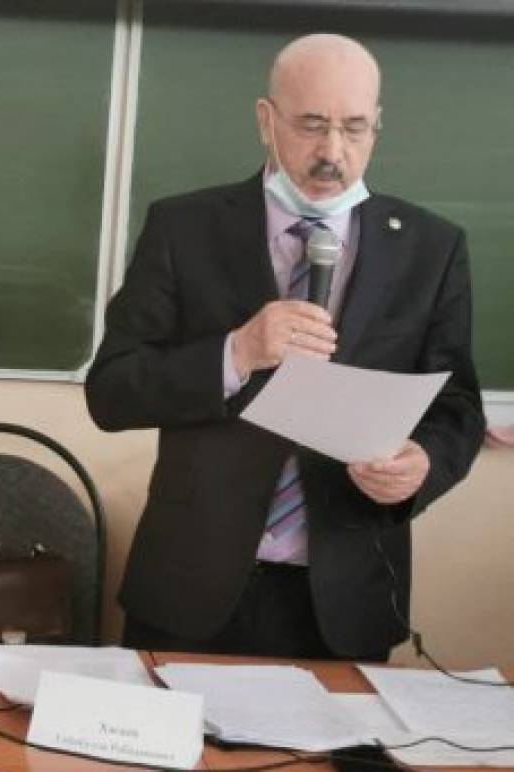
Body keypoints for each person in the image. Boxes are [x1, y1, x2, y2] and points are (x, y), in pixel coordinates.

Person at [85, 34, 484, 660]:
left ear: (377, 125)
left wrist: (422, 465)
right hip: (189, 585)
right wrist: (236, 352)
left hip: (346, 595)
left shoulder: (431, 249)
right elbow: (111, 391)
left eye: (355, 128)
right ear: (265, 121)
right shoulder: (183, 228)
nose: (333, 152)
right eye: (312, 125)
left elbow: (458, 408)